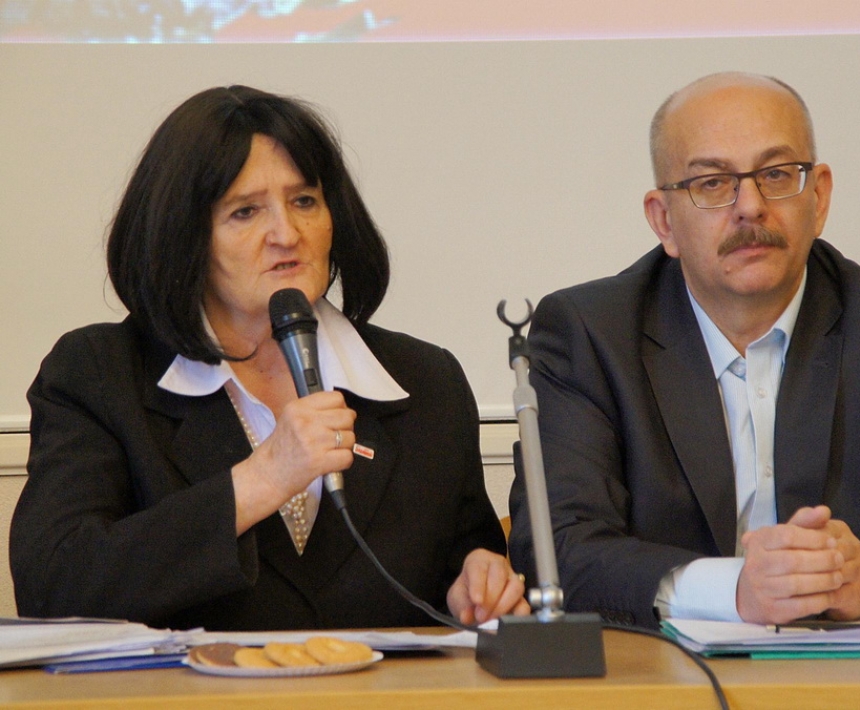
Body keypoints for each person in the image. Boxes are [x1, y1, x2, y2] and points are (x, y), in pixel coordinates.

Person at [508, 72, 860, 629]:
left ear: (819, 196)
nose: (751, 207)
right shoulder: (590, 334)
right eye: (713, 183)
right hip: (666, 673)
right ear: (664, 220)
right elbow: (556, 550)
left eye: (777, 175)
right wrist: (736, 591)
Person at [10, 85, 529, 631]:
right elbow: (54, 587)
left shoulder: (425, 381)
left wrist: (475, 586)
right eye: (245, 211)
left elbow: (460, 570)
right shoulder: (99, 374)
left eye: (304, 201)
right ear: (183, 236)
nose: (287, 234)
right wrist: (262, 479)